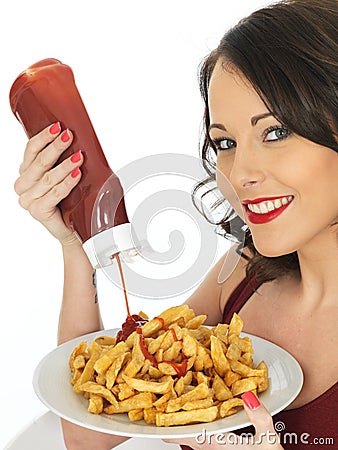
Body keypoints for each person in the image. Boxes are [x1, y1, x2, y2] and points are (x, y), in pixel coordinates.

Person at [14, 0, 337, 449]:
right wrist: (74, 244)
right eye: (224, 142)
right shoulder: (243, 274)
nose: (239, 173)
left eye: (275, 132)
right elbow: (88, 435)